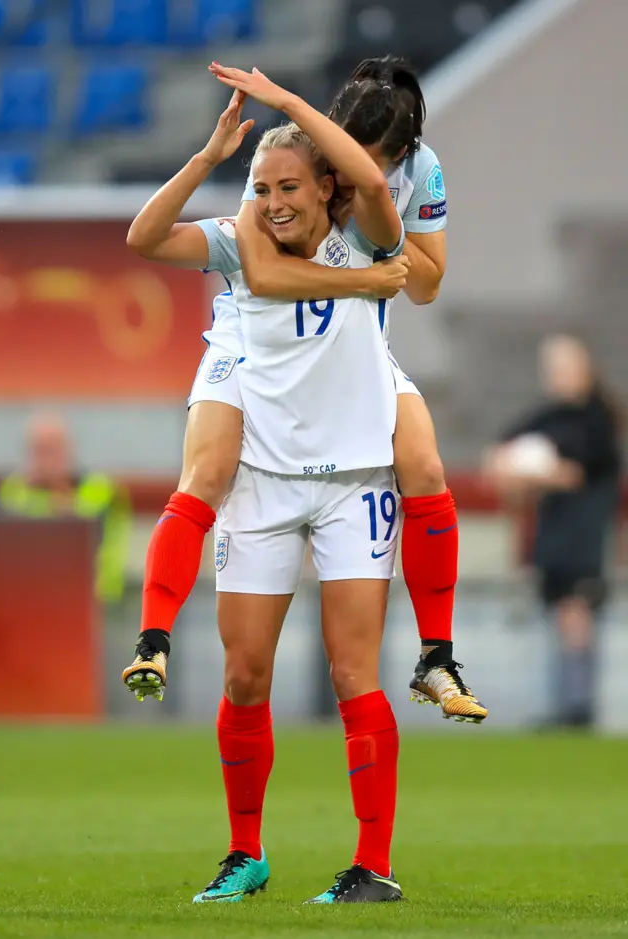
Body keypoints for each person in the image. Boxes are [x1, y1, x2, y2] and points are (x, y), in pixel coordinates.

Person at [124, 55, 487, 723]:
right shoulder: (286, 169)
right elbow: (257, 272)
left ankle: (437, 653)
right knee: (207, 470)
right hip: (251, 344)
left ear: (396, 156)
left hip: (349, 345)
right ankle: (153, 636)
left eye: (359, 165)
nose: (344, 178)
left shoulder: (409, 179)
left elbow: (427, 282)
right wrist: (366, 276)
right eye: (337, 164)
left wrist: (386, 262)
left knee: (426, 463)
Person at [126, 81, 409, 903]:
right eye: (262, 190)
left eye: (290, 186)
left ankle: (372, 866)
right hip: (264, 483)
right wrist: (210, 158)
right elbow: (143, 237)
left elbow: (370, 179)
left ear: (326, 186)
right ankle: (245, 854)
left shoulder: (367, 234)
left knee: (354, 671)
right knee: (246, 675)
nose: (274, 203)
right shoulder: (236, 243)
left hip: (353, 482)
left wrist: (287, 101)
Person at [484, 335, 622, 728]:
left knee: (575, 611)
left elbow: (574, 474)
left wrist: (532, 473)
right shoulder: (546, 418)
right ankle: (566, 702)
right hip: (553, 533)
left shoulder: (597, 420)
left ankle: (578, 705)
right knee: (559, 611)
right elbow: (500, 454)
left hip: (584, 533)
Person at [0, 414, 131, 603]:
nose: (45, 459)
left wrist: (63, 502)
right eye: (38, 451)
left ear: (69, 449)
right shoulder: (14, 489)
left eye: (51, 450)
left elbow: (98, 540)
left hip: (94, 597)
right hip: (30, 597)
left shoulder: (102, 488)